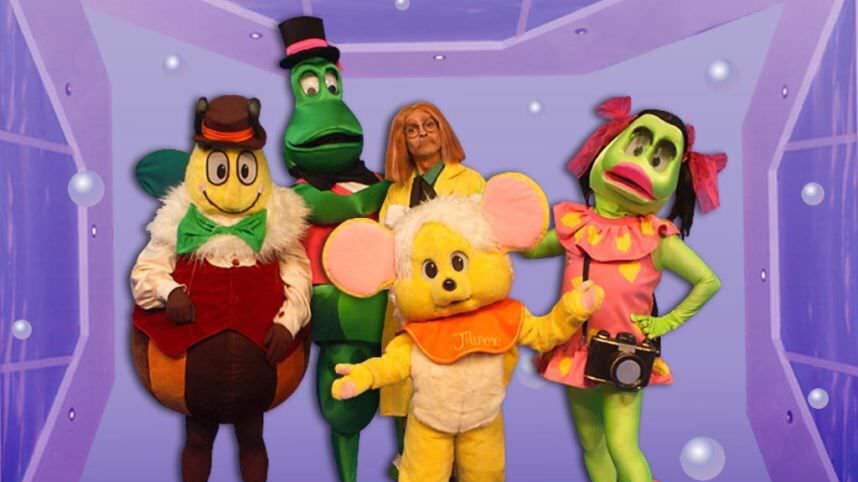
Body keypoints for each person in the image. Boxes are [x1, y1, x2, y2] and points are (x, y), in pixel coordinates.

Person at [377, 101, 485, 476]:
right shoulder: (396, 191)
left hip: (456, 310)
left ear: (443, 131)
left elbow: (486, 247)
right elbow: (384, 251)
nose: (422, 133)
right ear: (402, 141)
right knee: (407, 399)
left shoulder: (470, 182)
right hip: (408, 313)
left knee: (457, 406)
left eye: (429, 124)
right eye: (412, 129)